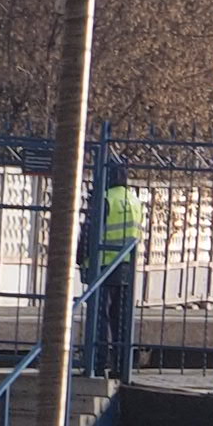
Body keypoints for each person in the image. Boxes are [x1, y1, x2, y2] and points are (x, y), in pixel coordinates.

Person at [85, 154, 143, 377]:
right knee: (121, 318)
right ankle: (121, 365)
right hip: (127, 265)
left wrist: (82, 257)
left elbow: (89, 232)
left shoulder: (104, 198)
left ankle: (98, 364)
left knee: (100, 317)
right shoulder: (134, 199)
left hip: (103, 265)